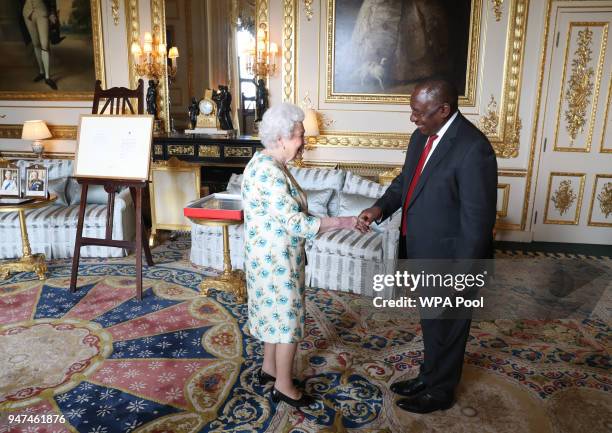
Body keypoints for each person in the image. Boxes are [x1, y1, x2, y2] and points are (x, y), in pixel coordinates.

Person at [357, 79, 497, 414]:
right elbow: (406, 180)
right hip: (421, 251)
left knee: (449, 326)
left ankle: (440, 393)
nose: (412, 118)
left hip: (452, 259)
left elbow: (477, 221)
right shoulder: (421, 136)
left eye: (419, 112)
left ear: (444, 110)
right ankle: (429, 375)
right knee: (433, 322)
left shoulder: (473, 147)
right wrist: (379, 207)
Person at [242, 103, 357, 409]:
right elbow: (295, 223)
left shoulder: (264, 163)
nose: (304, 140)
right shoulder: (270, 172)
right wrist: (342, 222)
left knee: (274, 315)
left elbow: (287, 211)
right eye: (299, 135)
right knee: (287, 322)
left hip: (267, 257)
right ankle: (283, 385)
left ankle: (269, 368)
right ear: (281, 137)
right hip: (276, 262)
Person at [21, 0, 58, 90]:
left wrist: (52, 12)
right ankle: (41, 72)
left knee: (44, 44)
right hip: (27, 12)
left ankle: (47, 77)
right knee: (36, 44)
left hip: (42, 10)